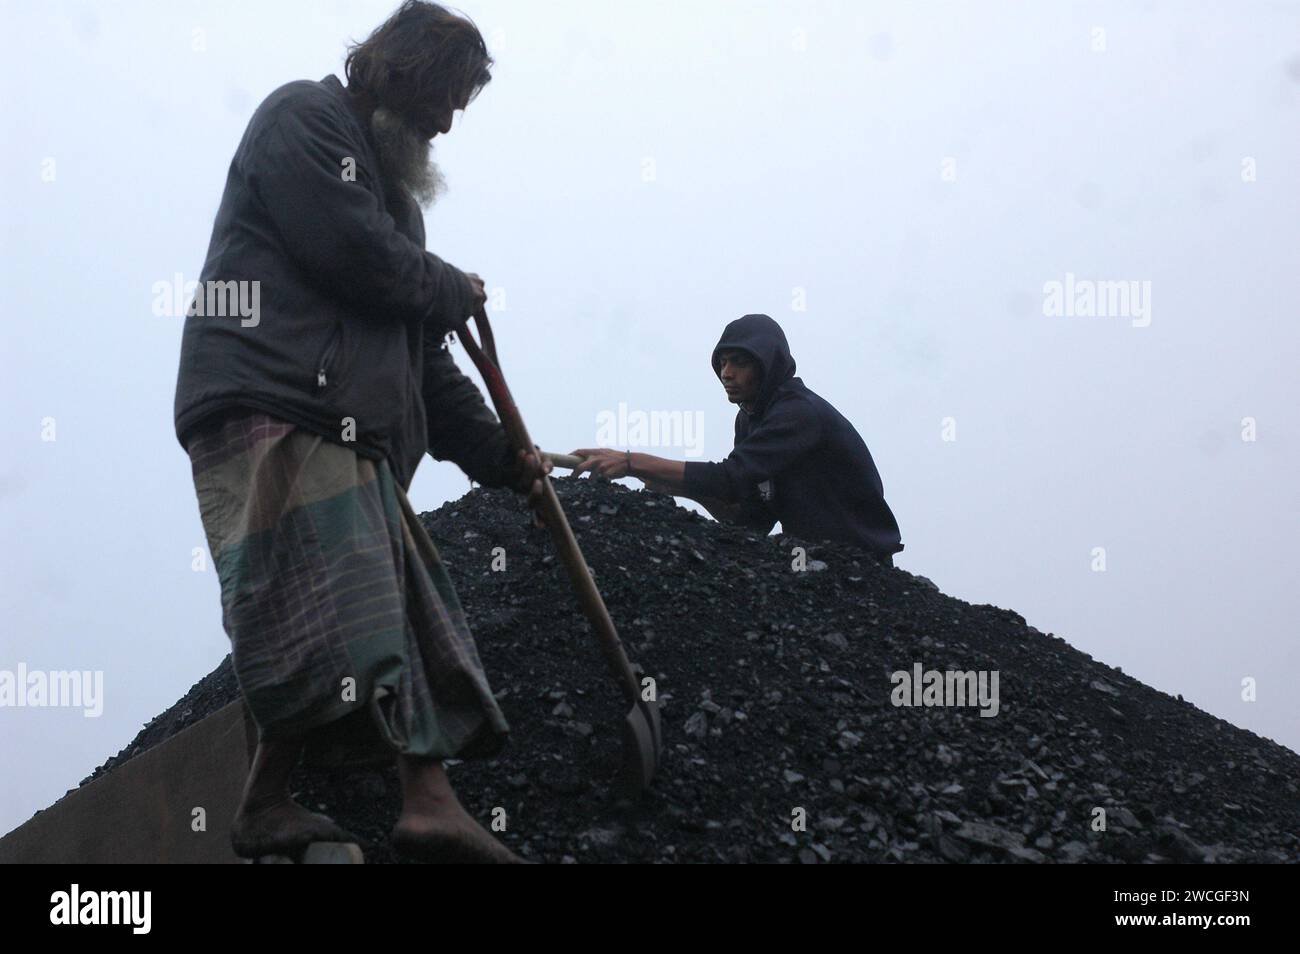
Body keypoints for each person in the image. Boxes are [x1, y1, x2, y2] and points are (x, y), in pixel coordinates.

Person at [173, 1, 545, 863]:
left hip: (348, 433)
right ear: (399, 71)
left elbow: (426, 365)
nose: (448, 122)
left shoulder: (400, 219)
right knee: (346, 601)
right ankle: (421, 801)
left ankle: (299, 803)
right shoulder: (300, 119)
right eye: (444, 97)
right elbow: (354, 253)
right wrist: (449, 285)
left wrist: (501, 457)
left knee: (373, 605)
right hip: (273, 402)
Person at [572, 314, 903, 564]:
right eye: (723, 362)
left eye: (740, 362)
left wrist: (631, 462)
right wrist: (675, 486)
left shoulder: (799, 414)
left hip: (858, 563)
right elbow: (750, 519)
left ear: (768, 365)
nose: (727, 373)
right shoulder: (749, 419)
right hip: (807, 561)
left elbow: (730, 477)